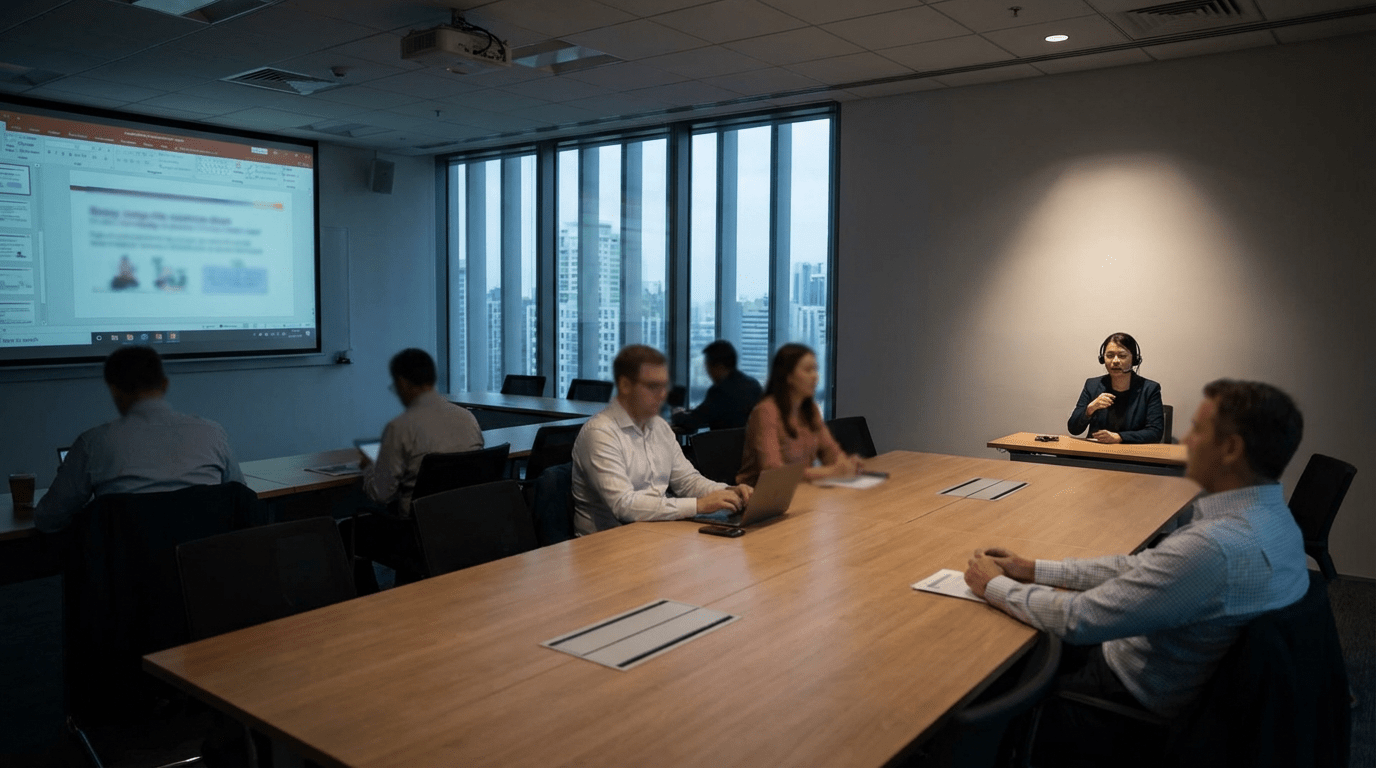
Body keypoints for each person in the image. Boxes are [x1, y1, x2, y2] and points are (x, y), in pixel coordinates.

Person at [964, 379, 1309, 763]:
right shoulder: (1272, 520)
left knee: (990, 664)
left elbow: (1080, 619)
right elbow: (1142, 567)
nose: (1185, 440)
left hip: (1119, 698)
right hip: (1175, 678)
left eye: (1197, 429)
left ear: (1230, 449)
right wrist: (1032, 569)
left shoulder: (1214, 548)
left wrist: (992, 585)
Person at [35, 345, 243, 533]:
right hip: (201, 568)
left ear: (114, 389)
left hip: (127, 572)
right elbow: (240, 500)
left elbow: (49, 518)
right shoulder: (212, 432)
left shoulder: (93, 443)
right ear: (164, 385)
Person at [573, 344, 753, 536]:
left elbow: (687, 481)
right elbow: (623, 505)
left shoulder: (659, 427)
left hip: (655, 532)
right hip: (607, 544)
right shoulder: (600, 433)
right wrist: (698, 505)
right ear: (625, 386)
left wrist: (728, 492)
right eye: (652, 386)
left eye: (664, 386)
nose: (662, 395)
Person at [361, 347, 483, 514]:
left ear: (403, 383)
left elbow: (381, 493)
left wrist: (369, 467)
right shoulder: (468, 418)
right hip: (464, 518)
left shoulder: (400, 427)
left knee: (348, 528)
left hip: (417, 525)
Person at [735, 343, 861, 486]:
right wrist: (830, 472)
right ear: (788, 377)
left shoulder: (810, 409)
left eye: (816, 369)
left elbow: (830, 452)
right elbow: (774, 472)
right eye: (808, 370)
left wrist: (846, 464)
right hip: (761, 497)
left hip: (802, 491)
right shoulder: (766, 411)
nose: (815, 376)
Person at [1067, 332, 1164, 444]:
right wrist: (1089, 409)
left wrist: (1120, 437)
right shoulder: (1092, 385)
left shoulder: (1150, 389)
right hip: (1096, 454)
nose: (1115, 361)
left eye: (1122, 356)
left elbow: (1155, 432)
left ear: (1134, 359)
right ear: (1102, 359)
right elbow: (1073, 429)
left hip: (1132, 455)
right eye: (1110, 356)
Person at [671, 340, 762, 432]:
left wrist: (677, 414)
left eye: (708, 366)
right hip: (750, 444)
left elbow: (692, 422)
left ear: (719, 367)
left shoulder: (720, 391)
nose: (708, 372)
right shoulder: (753, 384)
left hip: (724, 445)